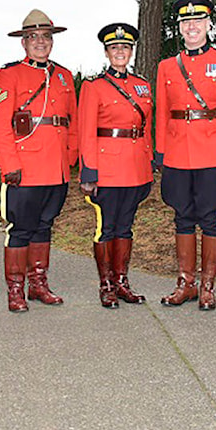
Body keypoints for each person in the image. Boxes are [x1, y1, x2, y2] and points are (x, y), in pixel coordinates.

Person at [155, 0, 216, 310]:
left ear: (208, 24)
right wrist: (160, 150)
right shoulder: (166, 67)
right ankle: (186, 284)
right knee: (182, 216)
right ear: (179, 28)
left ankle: (208, 286)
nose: (192, 27)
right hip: (178, 151)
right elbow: (162, 112)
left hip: (214, 149)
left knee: (210, 218)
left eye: (198, 21)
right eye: (186, 22)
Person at [0, 9, 78, 312]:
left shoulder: (63, 75)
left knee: (45, 226)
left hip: (56, 168)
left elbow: (71, 122)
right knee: (21, 229)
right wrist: (9, 164)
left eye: (46, 37)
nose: (41, 42)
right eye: (34, 37)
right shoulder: (9, 74)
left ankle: (38, 284)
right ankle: (16, 289)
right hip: (24, 169)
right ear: (23, 42)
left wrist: (71, 158)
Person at [78, 23, 153, 308]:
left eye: (125, 47)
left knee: (126, 227)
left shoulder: (142, 85)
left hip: (135, 167)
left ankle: (122, 282)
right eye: (114, 48)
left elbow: (145, 127)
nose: (120, 52)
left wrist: (148, 161)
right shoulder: (93, 86)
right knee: (106, 228)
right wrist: (89, 172)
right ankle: (106, 284)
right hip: (106, 168)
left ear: (131, 51)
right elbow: (86, 131)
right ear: (107, 52)